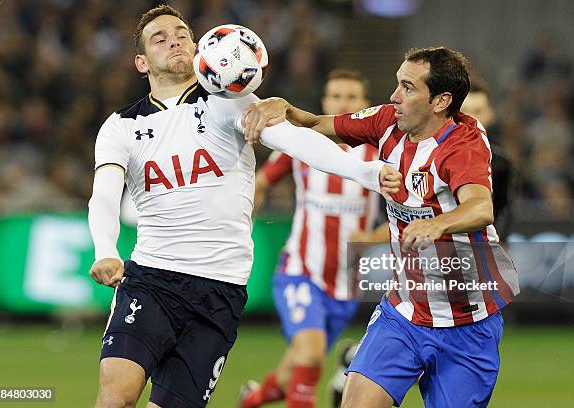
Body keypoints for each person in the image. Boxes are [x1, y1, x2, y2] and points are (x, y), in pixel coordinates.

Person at [87, 5, 400, 408]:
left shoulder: (228, 101)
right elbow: (105, 193)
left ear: (200, 47)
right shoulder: (120, 126)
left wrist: (367, 172)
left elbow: (297, 142)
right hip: (151, 278)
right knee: (116, 397)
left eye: (182, 34)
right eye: (160, 38)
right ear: (141, 62)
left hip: (220, 288)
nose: (174, 41)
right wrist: (106, 250)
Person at [242, 47, 520, 408]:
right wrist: (286, 109)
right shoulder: (387, 121)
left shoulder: (463, 145)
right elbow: (318, 124)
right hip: (403, 312)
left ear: (441, 101)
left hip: (467, 323)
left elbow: (481, 208)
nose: (394, 96)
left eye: (407, 87)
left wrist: (439, 223)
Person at [239, 69, 389, 408]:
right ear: (324, 101)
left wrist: (371, 236)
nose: (342, 103)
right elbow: (260, 183)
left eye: (351, 98)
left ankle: (250, 400)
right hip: (301, 271)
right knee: (309, 357)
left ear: (365, 106)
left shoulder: (380, 154)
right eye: (336, 96)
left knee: (296, 368)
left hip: (345, 281)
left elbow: (404, 217)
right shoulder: (301, 145)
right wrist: (242, 227)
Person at [460, 77, 514, 238]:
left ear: (490, 114)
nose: (471, 119)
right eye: (464, 110)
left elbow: (504, 212)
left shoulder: (501, 164)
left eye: (477, 111)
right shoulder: (428, 155)